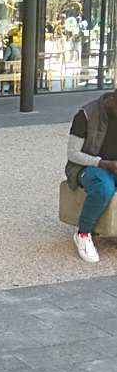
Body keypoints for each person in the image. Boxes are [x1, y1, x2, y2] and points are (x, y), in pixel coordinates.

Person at [66, 90, 117, 264]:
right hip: (87, 167)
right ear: (111, 101)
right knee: (103, 188)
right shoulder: (86, 115)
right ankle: (83, 234)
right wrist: (104, 163)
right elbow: (72, 154)